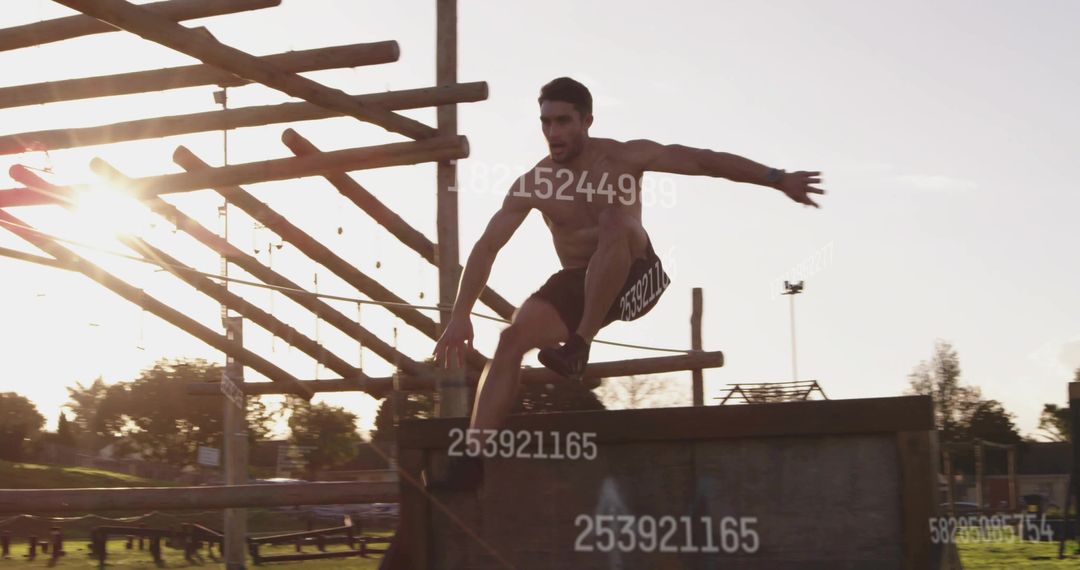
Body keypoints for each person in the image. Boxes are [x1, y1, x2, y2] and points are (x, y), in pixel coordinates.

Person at [427, 77, 825, 490]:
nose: (553, 133)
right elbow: (487, 247)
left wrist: (777, 178)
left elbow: (704, 161)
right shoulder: (534, 183)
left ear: (587, 121)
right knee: (511, 338)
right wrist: (460, 315)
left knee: (614, 218)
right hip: (582, 283)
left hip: (639, 279)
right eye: (546, 122)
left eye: (563, 122)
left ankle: (579, 345)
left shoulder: (624, 157)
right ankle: (472, 461)